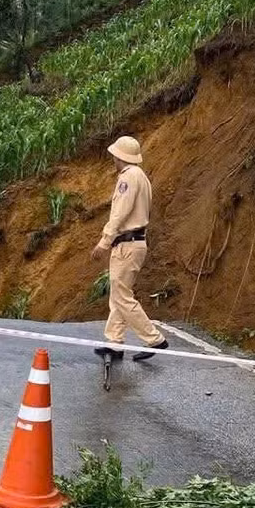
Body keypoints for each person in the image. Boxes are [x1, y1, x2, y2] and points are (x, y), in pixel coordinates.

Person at [90, 136, 168, 362]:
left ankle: (154, 339)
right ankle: (114, 343)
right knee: (118, 294)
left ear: (120, 156)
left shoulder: (128, 178)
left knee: (122, 296)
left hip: (126, 243)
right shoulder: (141, 177)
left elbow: (120, 213)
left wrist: (104, 241)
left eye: (115, 155)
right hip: (133, 243)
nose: (113, 159)